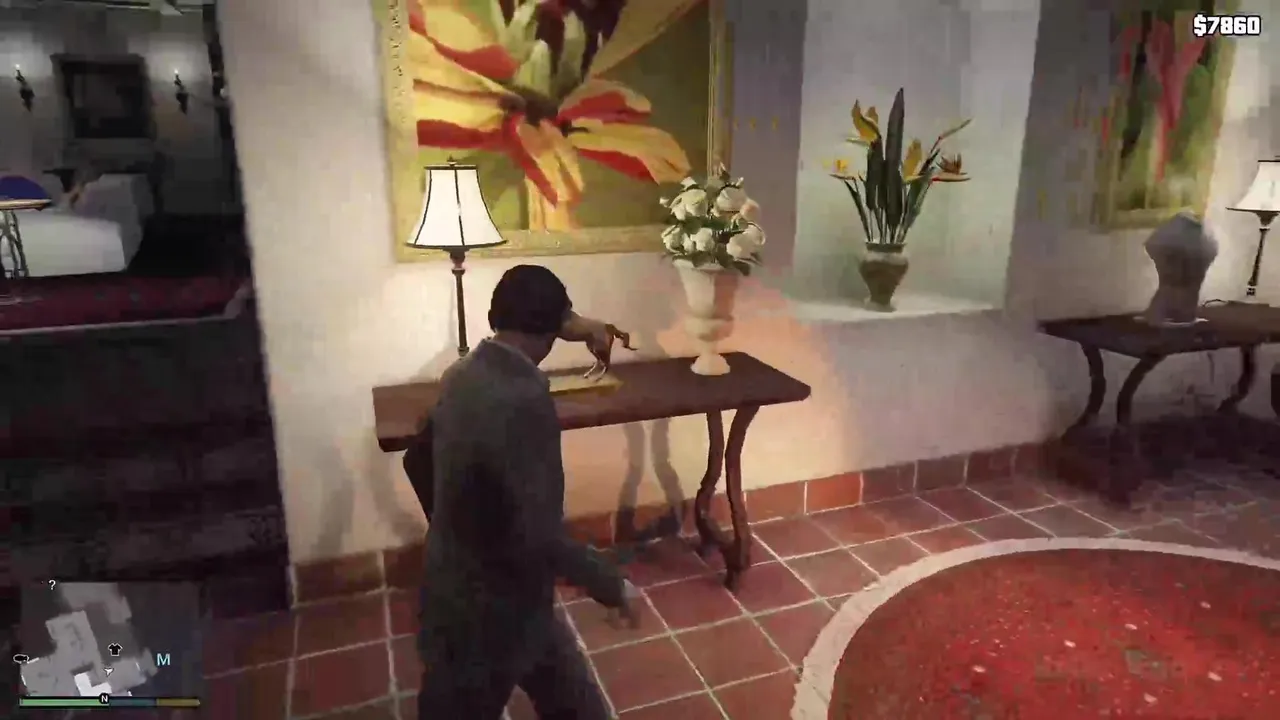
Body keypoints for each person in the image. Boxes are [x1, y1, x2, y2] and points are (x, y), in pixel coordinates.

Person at [408, 264, 637, 719]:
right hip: (488, 610)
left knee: (571, 696)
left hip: (476, 586)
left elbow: (416, 460)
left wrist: (456, 530)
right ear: (555, 328)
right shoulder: (523, 398)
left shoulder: (462, 373)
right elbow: (539, 532)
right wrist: (610, 584)